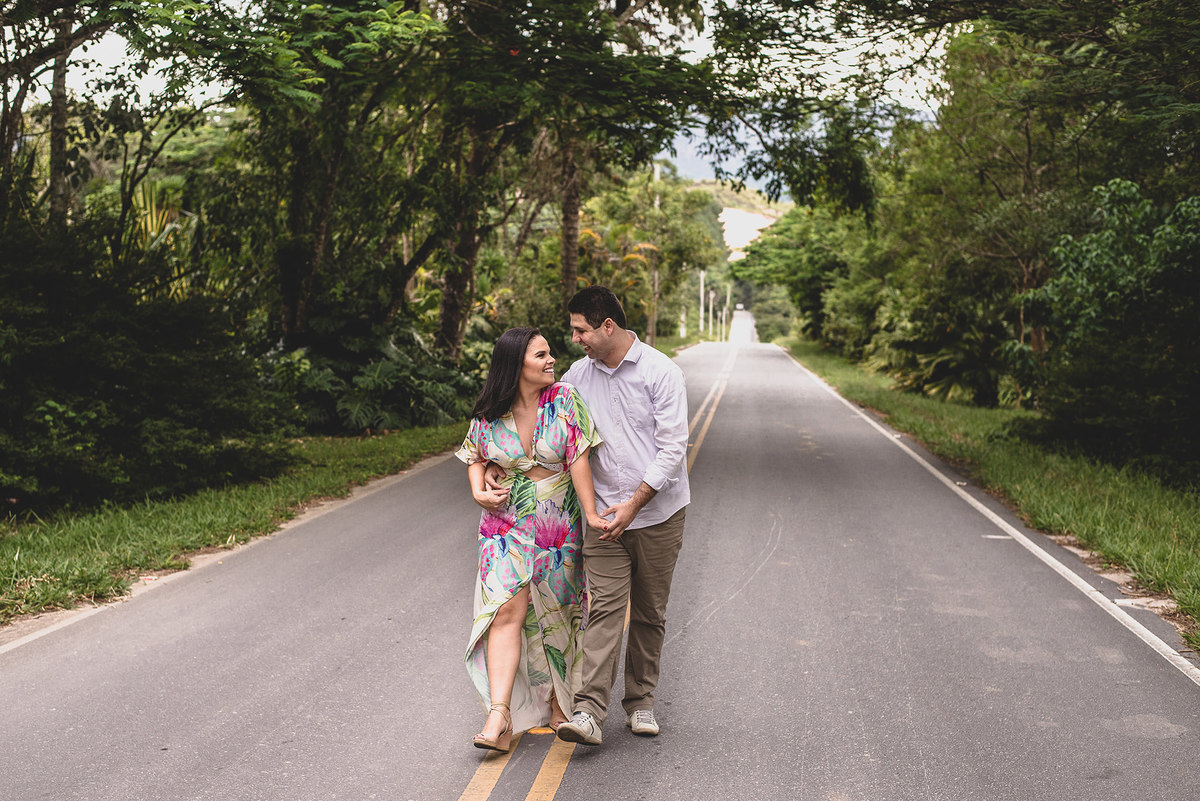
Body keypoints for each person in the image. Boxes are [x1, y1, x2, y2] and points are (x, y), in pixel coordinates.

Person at [551, 286, 690, 746]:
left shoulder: (660, 372)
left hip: (658, 516)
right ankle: (589, 710)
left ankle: (641, 702)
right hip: (604, 517)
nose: (576, 339)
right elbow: (552, 429)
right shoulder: (576, 376)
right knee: (605, 609)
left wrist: (634, 505)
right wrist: (490, 461)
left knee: (650, 611)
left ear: (607, 325)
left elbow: (672, 448)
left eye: (581, 330)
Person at [456, 327, 605, 752]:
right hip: (503, 525)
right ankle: (499, 714)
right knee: (505, 611)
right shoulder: (490, 411)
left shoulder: (564, 399)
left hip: (557, 522)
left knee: (559, 613)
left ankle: (560, 702)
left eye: (549, 353)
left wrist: (591, 514)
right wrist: (477, 488)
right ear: (516, 365)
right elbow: (475, 454)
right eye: (541, 355)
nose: (551, 360)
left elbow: (578, 458)